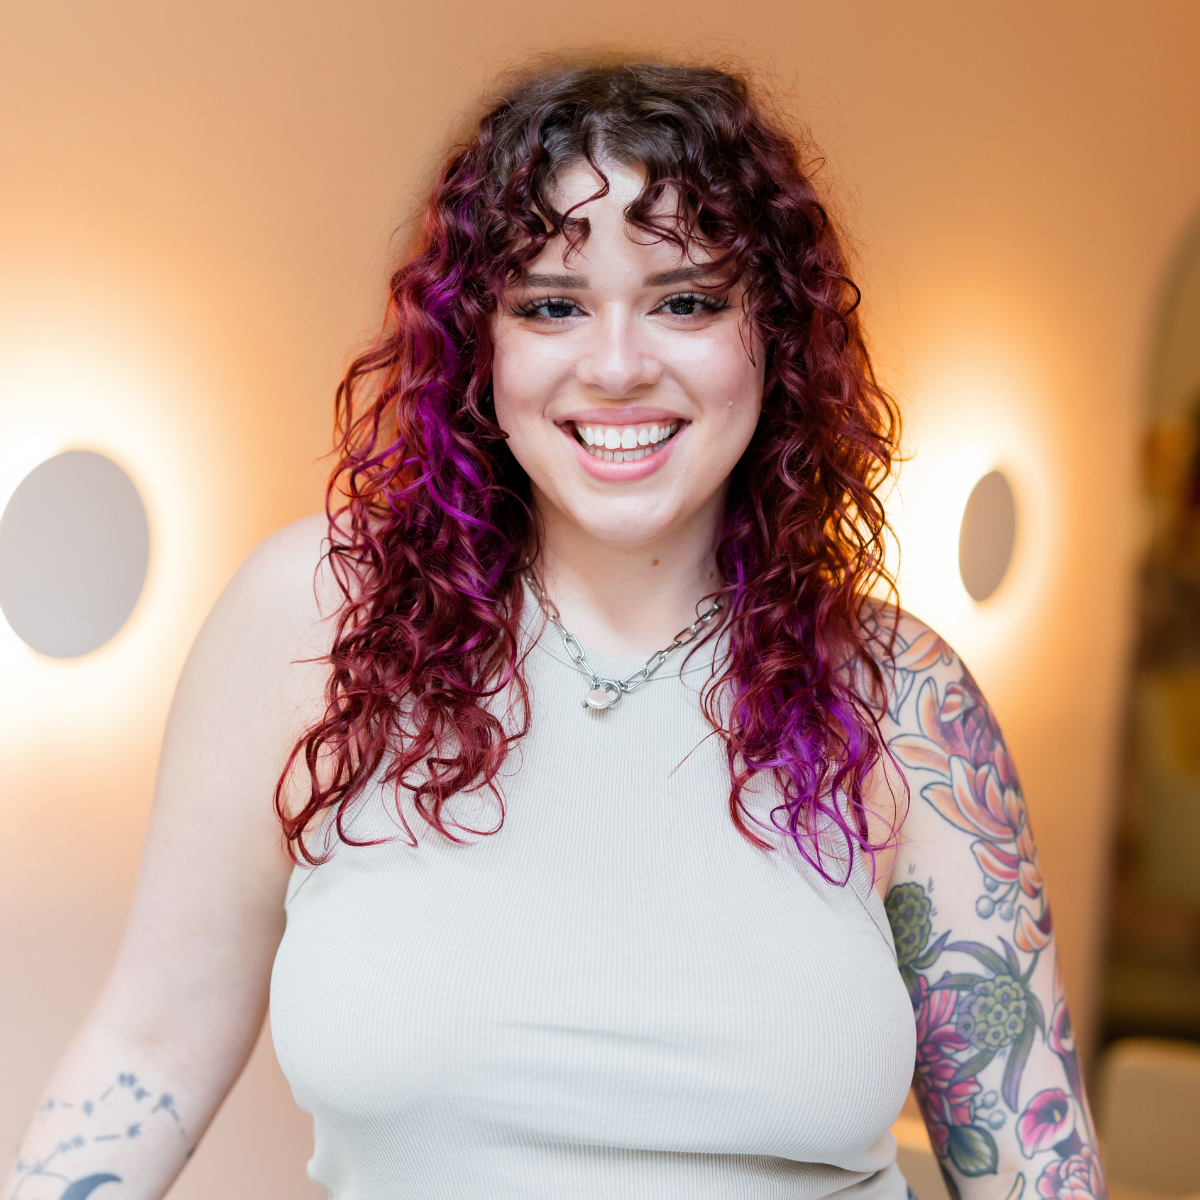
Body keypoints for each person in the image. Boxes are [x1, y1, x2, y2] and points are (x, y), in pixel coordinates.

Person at [6, 59, 1106, 1200]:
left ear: (775, 333)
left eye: (687, 300)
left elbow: (1038, 1173)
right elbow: (151, 1049)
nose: (618, 367)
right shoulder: (319, 621)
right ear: (477, 345)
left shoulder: (902, 696)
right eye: (551, 304)